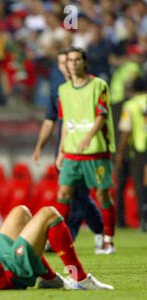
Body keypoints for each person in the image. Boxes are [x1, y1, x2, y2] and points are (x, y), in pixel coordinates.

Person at [32, 50, 104, 247]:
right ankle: (99, 229)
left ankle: (65, 238)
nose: (67, 66)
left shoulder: (90, 87)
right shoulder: (58, 90)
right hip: (62, 149)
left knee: (75, 193)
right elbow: (49, 121)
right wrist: (39, 146)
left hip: (83, 149)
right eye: (63, 63)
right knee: (77, 195)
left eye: (71, 61)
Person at [55, 47, 117, 255]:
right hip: (72, 152)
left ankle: (108, 241)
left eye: (77, 60)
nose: (72, 64)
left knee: (102, 195)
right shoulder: (63, 90)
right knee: (63, 193)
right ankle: (62, 240)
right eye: (69, 61)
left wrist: (88, 137)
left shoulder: (99, 85)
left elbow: (101, 114)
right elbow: (65, 122)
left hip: (95, 151)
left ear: (84, 62)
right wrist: (61, 151)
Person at [115, 76, 147, 232]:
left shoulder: (130, 105)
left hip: (140, 148)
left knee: (140, 185)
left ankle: (143, 220)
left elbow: (126, 130)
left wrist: (120, 153)